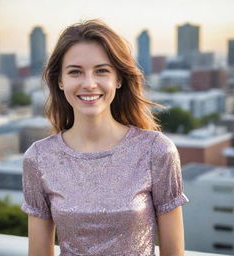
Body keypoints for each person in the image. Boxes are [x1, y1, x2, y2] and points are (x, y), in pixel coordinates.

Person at [21, 19, 189, 256]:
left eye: (101, 71)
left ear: (118, 79)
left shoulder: (156, 150)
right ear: (61, 81)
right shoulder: (38, 158)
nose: (89, 84)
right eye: (75, 72)